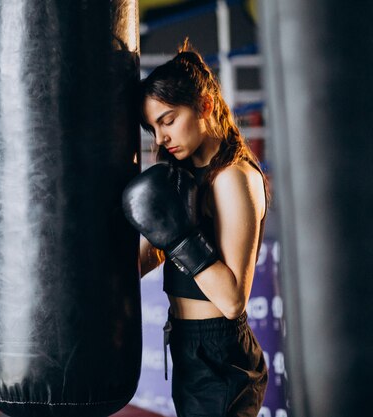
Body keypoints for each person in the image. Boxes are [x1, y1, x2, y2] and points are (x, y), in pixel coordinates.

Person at [122, 41, 269, 417]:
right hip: (188, 345)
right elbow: (153, 254)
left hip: (221, 354)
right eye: (153, 127)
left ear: (204, 105)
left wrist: (180, 237)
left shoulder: (234, 178)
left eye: (168, 121)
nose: (160, 139)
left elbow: (233, 299)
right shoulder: (185, 176)